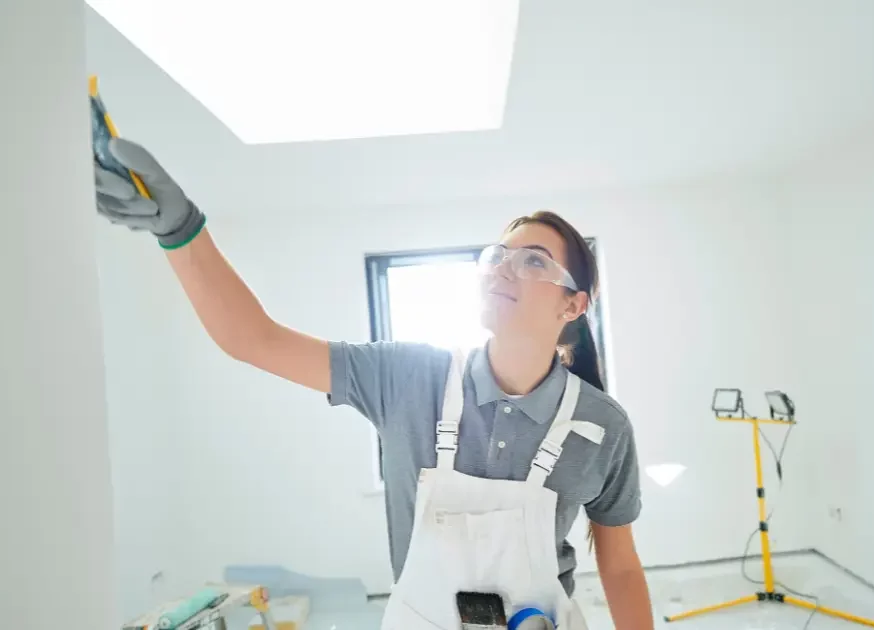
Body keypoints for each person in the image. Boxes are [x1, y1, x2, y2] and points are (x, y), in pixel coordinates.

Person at [94, 138, 655, 630]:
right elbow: (254, 339)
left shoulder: (602, 426)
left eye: (533, 262)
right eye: (498, 256)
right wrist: (179, 230)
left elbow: (621, 565)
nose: (504, 267)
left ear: (574, 305)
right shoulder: (410, 376)